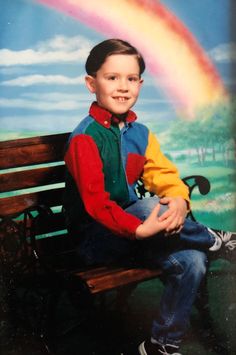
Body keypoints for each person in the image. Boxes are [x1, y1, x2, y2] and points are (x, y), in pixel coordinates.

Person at [63, 38, 236, 355]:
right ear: (91, 83)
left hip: (137, 234)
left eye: (131, 79)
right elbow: (96, 204)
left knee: (192, 261)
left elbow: (164, 174)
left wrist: (180, 199)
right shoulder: (85, 138)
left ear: (140, 84)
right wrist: (141, 228)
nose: (122, 87)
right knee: (147, 206)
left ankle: (161, 344)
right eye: (112, 77)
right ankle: (216, 238)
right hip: (94, 239)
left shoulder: (141, 135)